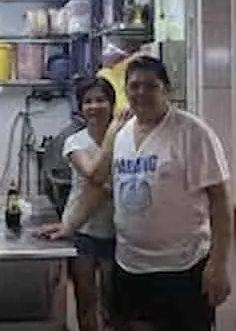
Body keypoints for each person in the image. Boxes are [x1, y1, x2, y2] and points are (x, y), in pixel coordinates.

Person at [49, 56, 233, 331]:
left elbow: (220, 201)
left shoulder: (192, 133)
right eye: (134, 86)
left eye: (151, 85)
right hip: (130, 267)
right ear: (125, 91)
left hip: (182, 268)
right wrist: (68, 225)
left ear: (166, 89)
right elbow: (103, 189)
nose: (141, 93)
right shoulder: (121, 136)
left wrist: (218, 265)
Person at [38, 77, 117, 331]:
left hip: (118, 231)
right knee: (85, 301)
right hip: (83, 231)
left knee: (113, 304)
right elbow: (95, 175)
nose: (94, 106)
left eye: (101, 100)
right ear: (80, 107)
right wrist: (114, 134)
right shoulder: (75, 142)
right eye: (88, 101)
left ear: (112, 103)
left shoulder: (129, 138)